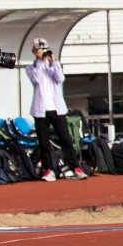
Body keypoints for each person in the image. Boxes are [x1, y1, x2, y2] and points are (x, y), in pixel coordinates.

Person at [25, 37, 85, 180]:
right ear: (34, 52)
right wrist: (40, 62)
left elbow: (60, 78)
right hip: (40, 110)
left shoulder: (53, 67)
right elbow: (36, 79)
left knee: (65, 139)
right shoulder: (31, 68)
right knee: (44, 142)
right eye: (40, 51)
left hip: (57, 109)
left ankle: (75, 167)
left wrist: (53, 62)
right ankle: (48, 170)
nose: (44, 54)